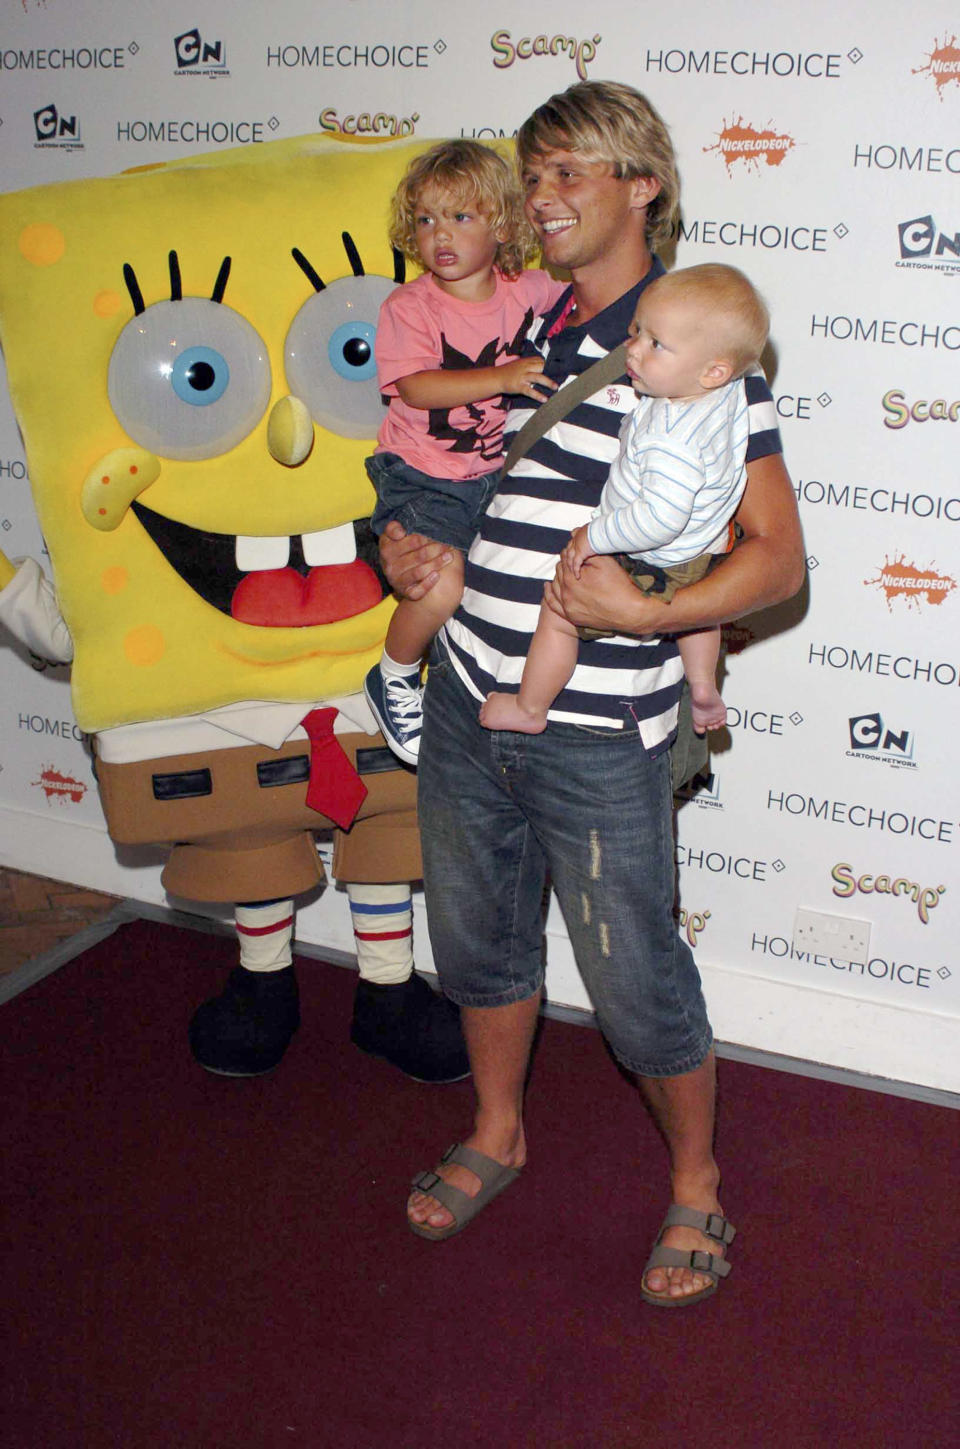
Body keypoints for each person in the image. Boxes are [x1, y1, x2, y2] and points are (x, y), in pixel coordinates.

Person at [381, 81, 804, 1306]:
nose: (544, 198)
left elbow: (776, 560)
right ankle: (499, 1131)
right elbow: (491, 496)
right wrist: (424, 564)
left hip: (600, 727)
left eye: (573, 172)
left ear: (644, 186)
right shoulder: (540, 334)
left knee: (633, 981)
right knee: (477, 939)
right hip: (471, 693)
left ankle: (697, 1186)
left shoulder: (700, 350)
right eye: (536, 176)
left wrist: (654, 613)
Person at [479, 263, 769, 738]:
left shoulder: (668, 435)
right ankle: (701, 684)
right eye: (637, 332)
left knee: (558, 612)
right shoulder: (726, 390)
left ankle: (530, 706)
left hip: (650, 554)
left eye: (656, 344)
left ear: (713, 370)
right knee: (696, 615)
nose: (632, 349)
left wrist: (593, 537)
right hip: (698, 550)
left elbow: (658, 518)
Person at [363, 140, 563, 764]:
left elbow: (585, 289)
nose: (439, 234)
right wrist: (502, 378)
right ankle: (394, 674)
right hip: (422, 477)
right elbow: (417, 387)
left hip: (493, 478)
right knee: (441, 587)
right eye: (426, 220)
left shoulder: (525, 291)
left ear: (502, 225)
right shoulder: (411, 305)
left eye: (460, 216)